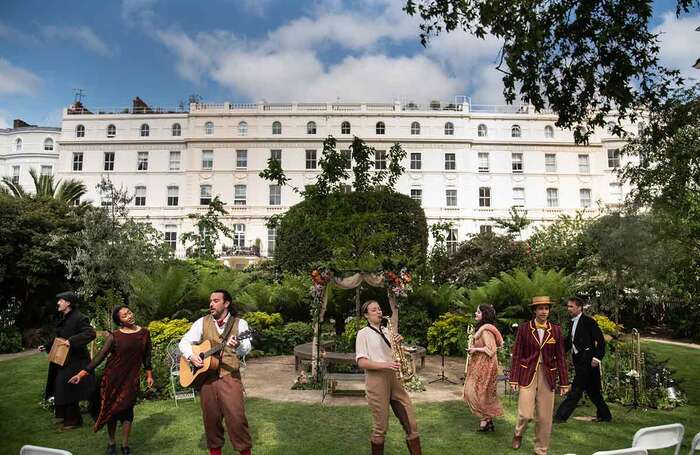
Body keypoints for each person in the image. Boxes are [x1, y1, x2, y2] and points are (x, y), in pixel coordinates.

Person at [68, 306, 154, 455]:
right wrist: (81, 374)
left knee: (128, 412)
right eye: (124, 315)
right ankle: (111, 442)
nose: (129, 316)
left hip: (131, 380)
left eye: (129, 312)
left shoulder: (144, 333)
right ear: (119, 321)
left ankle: (125, 446)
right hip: (112, 378)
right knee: (112, 411)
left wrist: (149, 375)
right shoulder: (114, 336)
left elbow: (147, 356)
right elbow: (100, 356)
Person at [179, 289, 253, 455]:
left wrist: (237, 346)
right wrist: (191, 356)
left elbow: (246, 348)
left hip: (229, 377)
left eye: (216, 300)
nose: (211, 304)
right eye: (210, 301)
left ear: (226, 303)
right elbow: (184, 342)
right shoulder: (202, 322)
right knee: (211, 422)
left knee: (237, 420)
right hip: (206, 379)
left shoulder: (240, 324)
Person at [355, 300, 422, 455]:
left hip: (395, 378)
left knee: (411, 423)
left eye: (379, 309)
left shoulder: (387, 331)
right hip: (377, 381)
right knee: (381, 427)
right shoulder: (363, 334)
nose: (379, 312)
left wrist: (399, 343)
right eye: (374, 310)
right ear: (366, 315)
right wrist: (385, 365)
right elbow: (361, 362)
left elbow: (395, 353)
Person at [509, 296, 569, 455]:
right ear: (534, 310)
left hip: (548, 376)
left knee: (545, 417)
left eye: (546, 308)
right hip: (527, 373)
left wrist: (564, 382)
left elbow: (561, 357)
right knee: (525, 413)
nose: (544, 311)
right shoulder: (524, 328)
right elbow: (516, 355)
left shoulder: (555, 330)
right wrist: (513, 378)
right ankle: (518, 433)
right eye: (540, 308)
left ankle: (541, 450)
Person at [40, 291, 97, 430]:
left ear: (68, 303)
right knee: (59, 386)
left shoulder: (80, 318)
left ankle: (74, 420)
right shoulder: (63, 317)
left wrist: (71, 341)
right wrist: (47, 346)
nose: (58, 303)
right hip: (62, 359)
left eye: (61, 300)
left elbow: (90, 333)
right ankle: (63, 416)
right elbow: (58, 336)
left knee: (67, 388)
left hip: (76, 360)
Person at [554, 297, 612, 423]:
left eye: (571, 306)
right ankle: (605, 415)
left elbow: (601, 341)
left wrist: (597, 358)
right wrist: (556, 352)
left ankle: (560, 417)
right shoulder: (572, 322)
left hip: (588, 361)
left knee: (576, 389)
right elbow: (570, 342)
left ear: (579, 308)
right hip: (579, 360)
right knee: (593, 391)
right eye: (568, 306)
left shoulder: (589, 321)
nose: (568, 309)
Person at [463, 304, 504, 432]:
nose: (475, 314)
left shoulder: (486, 331)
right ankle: (487, 420)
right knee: (478, 391)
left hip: (487, 365)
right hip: (480, 364)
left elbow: (491, 350)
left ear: (484, 315)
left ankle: (485, 419)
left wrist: (475, 349)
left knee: (477, 391)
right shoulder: (482, 329)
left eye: (478, 312)